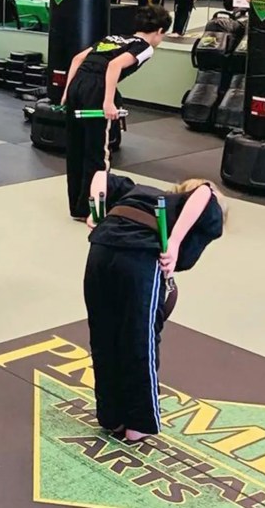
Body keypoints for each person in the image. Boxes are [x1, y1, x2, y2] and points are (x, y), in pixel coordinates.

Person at [84, 172, 225, 442]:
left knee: (103, 335)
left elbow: (101, 175)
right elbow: (206, 192)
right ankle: (140, 422)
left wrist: (97, 212)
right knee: (140, 338)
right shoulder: (184, 201)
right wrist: (173, 242)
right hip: (139, 255)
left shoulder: (137, 189)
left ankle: (112, 417)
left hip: (100, 251)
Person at [60, 5, 171, 219]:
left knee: (76, 148)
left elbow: (77, 58)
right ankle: (92, 209)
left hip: (77, 85)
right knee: (97, 153)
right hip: (96, 90)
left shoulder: (114, 37)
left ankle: (78, 208)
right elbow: (114, 66)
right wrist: (108, 103)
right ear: (159, 31)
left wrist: (67, 91)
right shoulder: (145, 47)